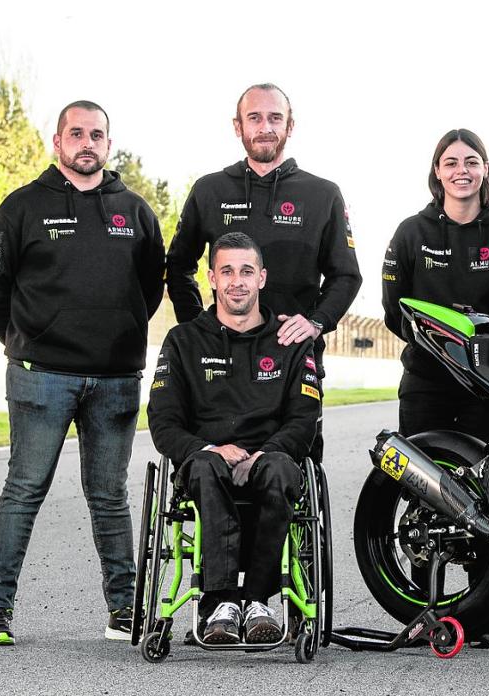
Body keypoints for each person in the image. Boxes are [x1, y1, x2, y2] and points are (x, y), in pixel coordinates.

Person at [0, 100, 165, 645]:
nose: (87, 142)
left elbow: (149, 289)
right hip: (41, 375)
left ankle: (124, 611)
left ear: (109, 144)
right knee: (23, 489)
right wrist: (25, 337)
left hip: (114, 380)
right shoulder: (21, 207)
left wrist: (117, 333)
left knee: (110, 497)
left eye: (96, 134)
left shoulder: (136, 211)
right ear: (56, 142)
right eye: (75, 133)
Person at [165, 83, 361, 460]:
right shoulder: (209, 190)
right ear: (238, 126)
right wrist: (198, 329)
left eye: (275, 118)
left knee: (290, 472)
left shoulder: (323, 194)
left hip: (291, 357)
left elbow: (346, 275)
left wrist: (316, 322)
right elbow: (178, 267)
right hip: (218, 359)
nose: (265, 126)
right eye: (254, 117)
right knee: (216, 468)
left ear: (291, 126)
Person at [148, 232, 321, 645]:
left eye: (246, 271)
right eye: (227, 271)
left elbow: (304, 417)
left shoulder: (291, 342)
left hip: (269, 459)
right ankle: (221, 602)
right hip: (206, 462)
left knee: (282, 469)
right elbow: (163, 420)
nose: (237, 281)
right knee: (206, 467)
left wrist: (265, 453)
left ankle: (259, 602)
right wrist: (210, 449)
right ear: (211, 278)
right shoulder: (183, 341)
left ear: (262, 278)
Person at [382, 129, 489, 442]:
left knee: (478, 483)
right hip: (426, 379)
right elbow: (394, 308)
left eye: (471, 162)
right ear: (437, 171)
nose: (461, 171)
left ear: (486, 168)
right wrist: (439, 348)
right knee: (420, 481)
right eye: (450, 163)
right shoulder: (411, 232)